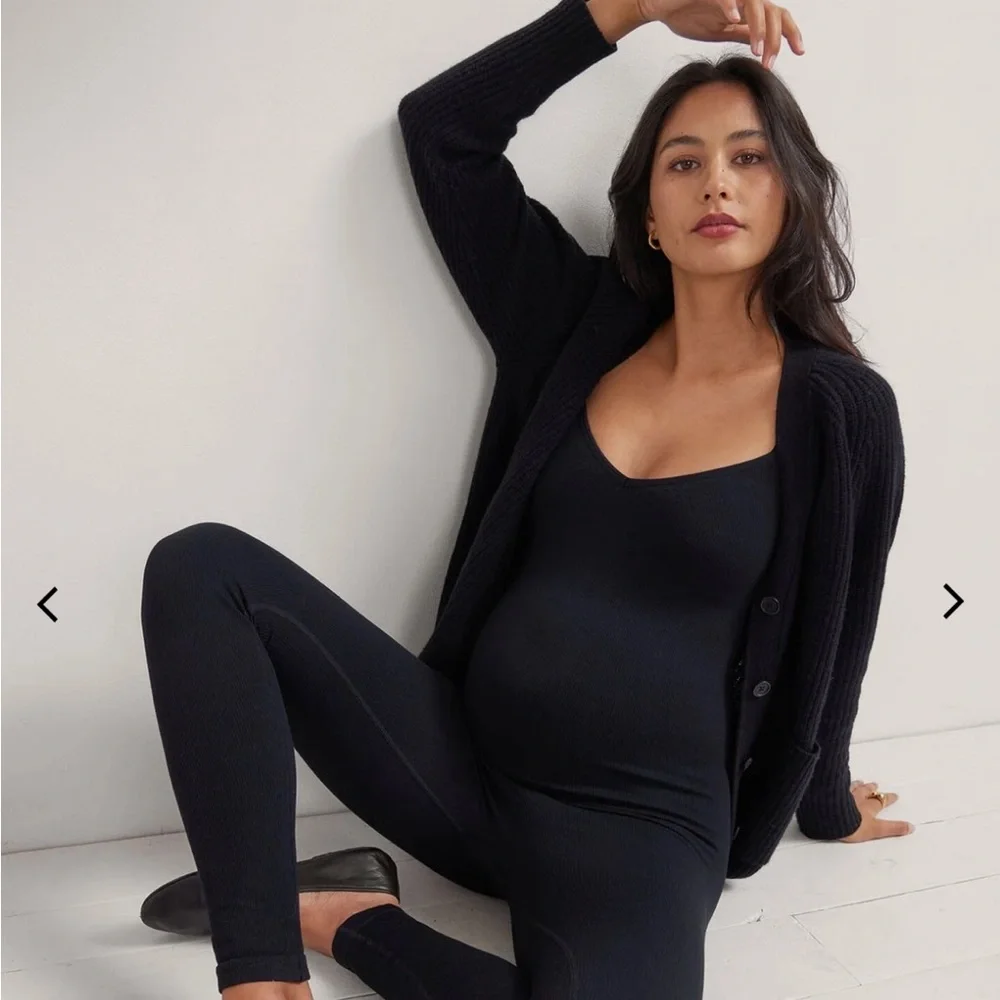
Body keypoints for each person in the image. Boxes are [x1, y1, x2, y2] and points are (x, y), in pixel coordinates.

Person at [138, 1, 911, 998]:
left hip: (640, 833)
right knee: (202, 566)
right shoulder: (570, 323)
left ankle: (341, 914)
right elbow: (443, 134)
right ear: (648, 213)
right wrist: (633, 9)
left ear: (794, 197)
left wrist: (827, 803)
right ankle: (258, 973)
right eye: (682, 161)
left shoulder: (840, 406)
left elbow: (843, 624)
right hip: (459, 769)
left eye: (750, 158)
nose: (716, 181)